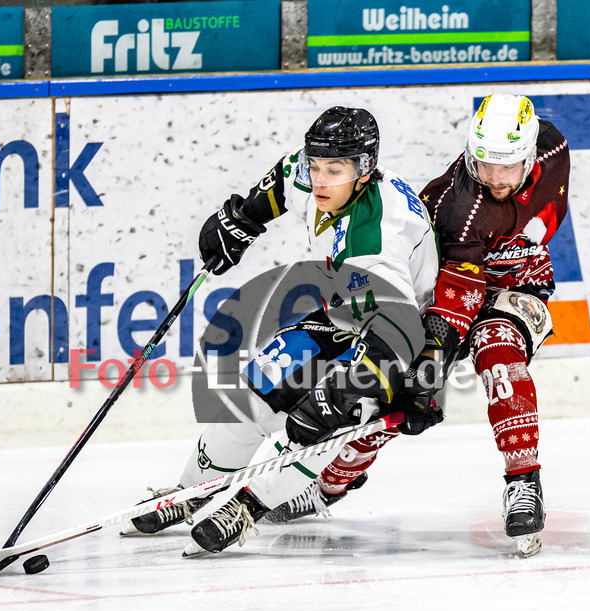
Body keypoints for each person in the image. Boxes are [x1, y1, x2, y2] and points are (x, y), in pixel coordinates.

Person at [121, 106, 440, 556]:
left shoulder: (374, 240)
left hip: (396, 340)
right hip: (347, 314)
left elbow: (401, 330)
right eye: (318, 166)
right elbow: (282, 180)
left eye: (336, 170)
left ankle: (248, 508)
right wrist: (241, 222)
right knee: (259, 383)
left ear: (364, 169)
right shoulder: (311, 172)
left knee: (324, 416)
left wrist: (348, 390)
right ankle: (193, 490)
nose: (322, 179)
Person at [267, 94, 570, 558]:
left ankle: (523, 482)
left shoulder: (552, 148)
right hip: (440, 301)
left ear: (529, 155)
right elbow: (455, 293)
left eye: (506, 166)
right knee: (393, 401)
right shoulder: (456, 206)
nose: (492, 177)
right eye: (483, 163)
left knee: (498, 348)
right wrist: (431, 358)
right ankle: (327, 486)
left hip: (519, 288)